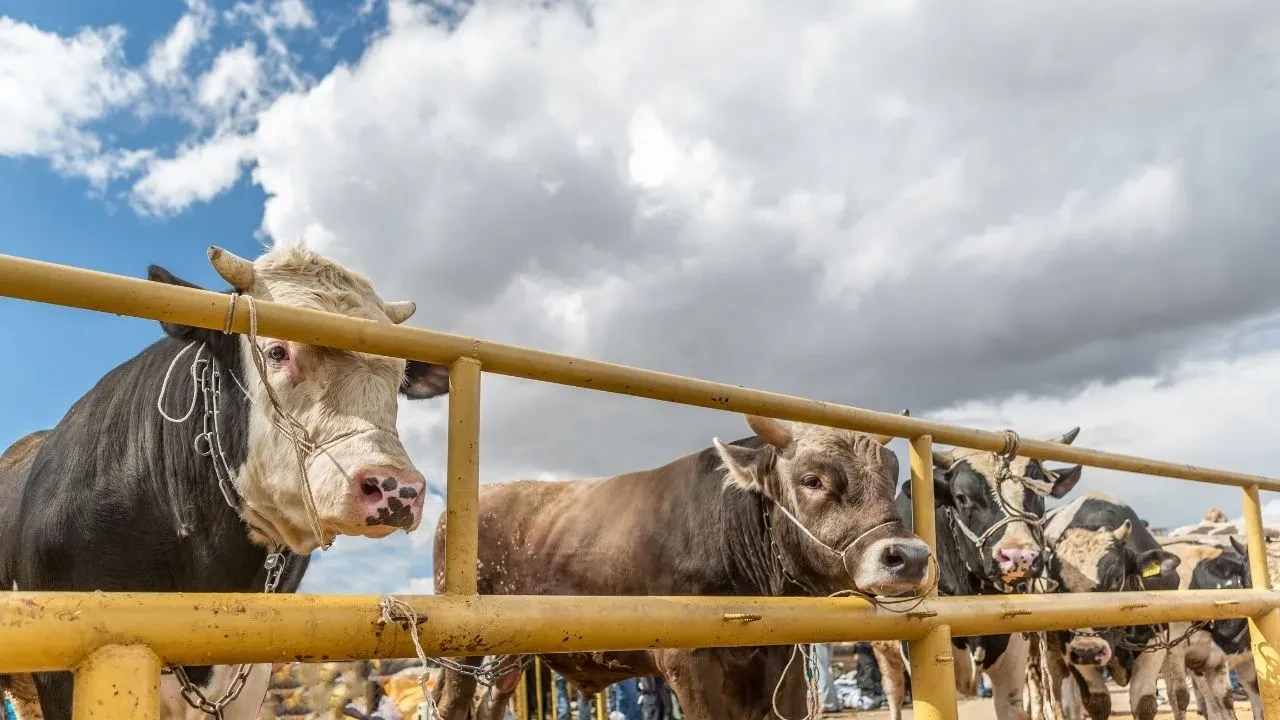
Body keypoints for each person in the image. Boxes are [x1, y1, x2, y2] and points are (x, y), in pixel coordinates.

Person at [813, 643, 842, 713]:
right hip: (827, 638)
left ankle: (827, 703)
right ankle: (834, 703)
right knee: (826, 670)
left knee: (820, 670)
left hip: (817, 639)